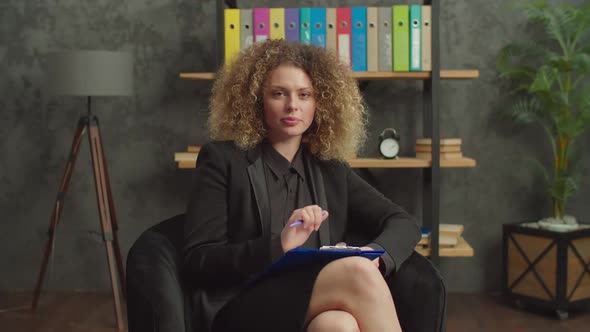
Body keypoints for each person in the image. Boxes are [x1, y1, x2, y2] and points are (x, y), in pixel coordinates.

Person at [183, 39, 420, 332]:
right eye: (278, 93)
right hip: (240, 304)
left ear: (320, 103)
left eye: (305, 94)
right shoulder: (221, 160)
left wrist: (377, 259)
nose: (292, 105)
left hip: (310, 299)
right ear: (257, 100)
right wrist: (277, 245)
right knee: (356, 272)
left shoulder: (331, 169)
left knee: (339, 325)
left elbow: (403, 222)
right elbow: (198, 260)